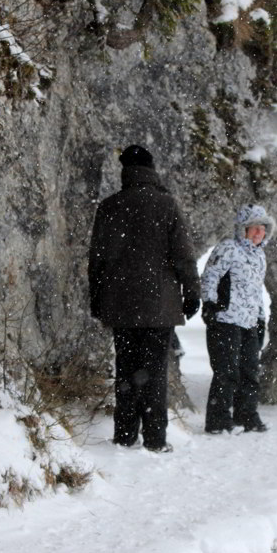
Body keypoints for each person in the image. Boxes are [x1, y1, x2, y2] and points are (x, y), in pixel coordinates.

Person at [88, 145, 200, 452]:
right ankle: (155, 439)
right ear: (152, 169)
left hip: (121, 305)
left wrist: (97, 299)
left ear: (124, 171)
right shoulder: (166, 205)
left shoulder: (110, 206)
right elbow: (184, 257)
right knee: (154, 373)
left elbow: (97, 259)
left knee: (126, 370)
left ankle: (124, 436)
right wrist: (192, 294)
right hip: (159, 306)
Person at [201, 203, 275, 434]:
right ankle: (218, 420)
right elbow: (210, 276)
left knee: (250, 372)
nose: (258, 232)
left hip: (250, 322)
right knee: (226, 372)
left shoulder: (260, 256)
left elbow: (255, 290)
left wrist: (261, 318)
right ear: (242, 229)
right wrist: (210, 305)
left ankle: (247, 415)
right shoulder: (228, 248)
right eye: (253, 227)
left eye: (262, 228)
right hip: (226, 320)